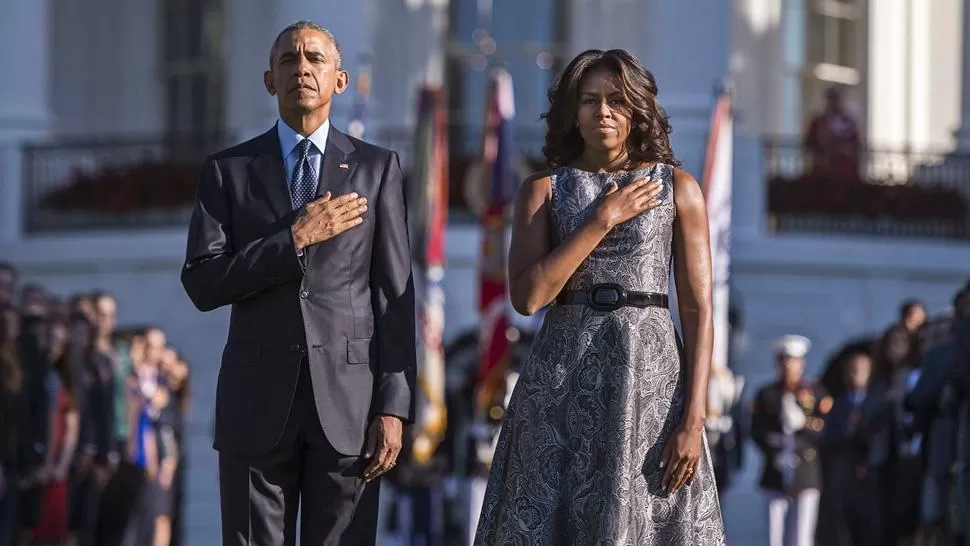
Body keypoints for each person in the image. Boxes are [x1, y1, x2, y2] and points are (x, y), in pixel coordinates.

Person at [473, 49, 725, 544]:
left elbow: (698, 310)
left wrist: (694, 418)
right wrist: (600, 220)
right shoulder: (542, 189)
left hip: (648, 388)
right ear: (573, 111)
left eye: (616, 100)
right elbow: (527, 298)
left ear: (637, 109)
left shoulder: (679, 188)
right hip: (560, 383)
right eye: (589, 100)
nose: (603, 111)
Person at [180, 20, 416, 546]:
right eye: (289, 60)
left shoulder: (377, 169)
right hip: (255, 405)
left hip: (350, 409)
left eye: (314, 59)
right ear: (270, 80)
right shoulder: (228, 171)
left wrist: (394, 406)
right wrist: (294, 239)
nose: (302, 69)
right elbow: (202, 282)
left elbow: (394, 297)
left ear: (340, 79)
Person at [750, 335, 831, 546]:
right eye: (784, 361)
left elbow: (825, 430)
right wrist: (774, 448)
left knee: (802, 537)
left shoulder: (814, 393)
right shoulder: (767, 394)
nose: (789, 366)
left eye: (793, 361)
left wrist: (804, 423)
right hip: (776, 470)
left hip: (806, 470)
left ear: (802, 363)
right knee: (773, 536)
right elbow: (756, 431)